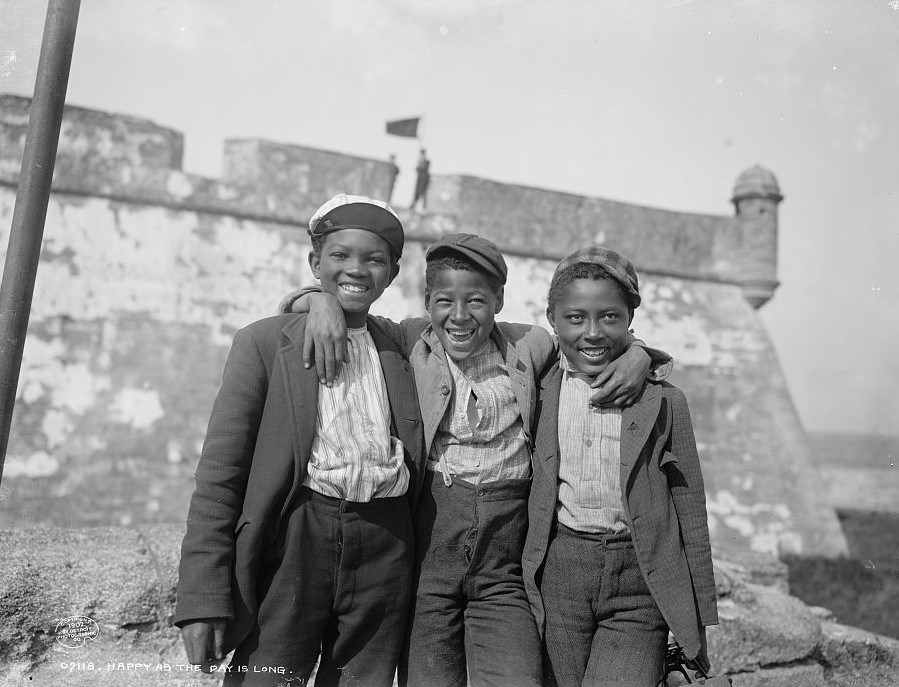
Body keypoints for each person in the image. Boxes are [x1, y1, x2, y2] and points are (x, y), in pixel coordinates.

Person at [282, 233, 671, 687]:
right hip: (428, 572)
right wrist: (318, 302)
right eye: (445, 301)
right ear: (427, 302)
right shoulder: (408, 339)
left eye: (478, 301)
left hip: (501, 576)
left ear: (500, 300)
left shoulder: (532, 346)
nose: (460, 316)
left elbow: (595, 340)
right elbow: (348, 311)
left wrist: (640, 354)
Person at [174, 194, 426, 687]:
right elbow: (220, 477)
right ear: (315, 263)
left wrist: (629, 351)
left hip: (386, 548)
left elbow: (490, 328)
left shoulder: (404, 344)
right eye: (340, 256)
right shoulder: (264, 344)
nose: (357, 269)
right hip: (293, 543)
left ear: (393, 274)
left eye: (374, 259)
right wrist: (201, 599)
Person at [522, 246, 718, 687]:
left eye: (609, 317)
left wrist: (699, 620)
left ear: (630, 319)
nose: (592, 333)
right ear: (552, 319)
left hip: (639, 583)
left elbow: (691, 511)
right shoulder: (536, 385)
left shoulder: (665, 400)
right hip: (560, 574)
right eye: (575, 318)